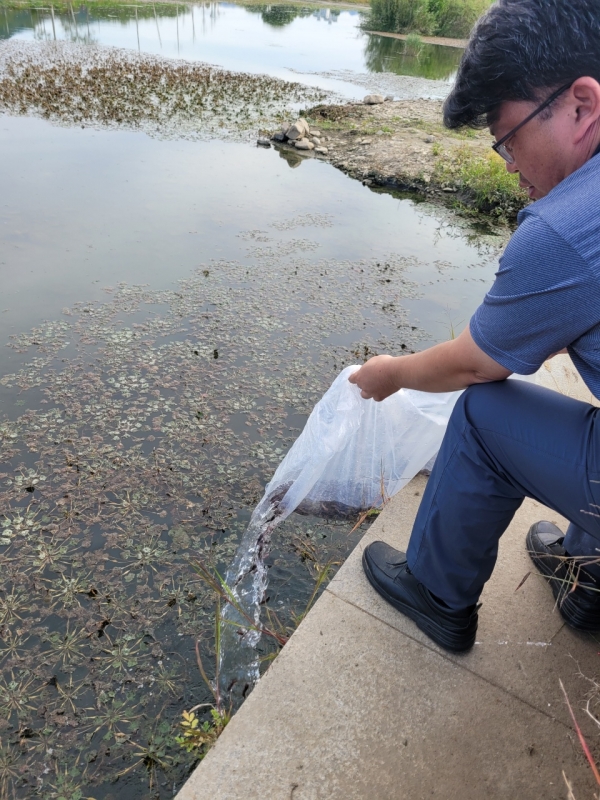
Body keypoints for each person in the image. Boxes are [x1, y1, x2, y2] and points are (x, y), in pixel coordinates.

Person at [348, 0, 600, 653]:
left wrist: (390, 375)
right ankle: (590, 576)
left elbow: (475, 363)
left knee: (484, 416)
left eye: (508, 136)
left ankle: (436, 593)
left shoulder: (566, 227)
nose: (506, 162)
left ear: (581, 104)